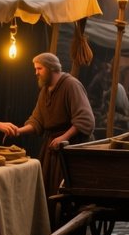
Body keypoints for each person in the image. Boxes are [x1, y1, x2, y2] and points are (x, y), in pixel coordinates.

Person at [15, 53, 95, 222]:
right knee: (46, 189)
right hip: (51, 147)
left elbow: (85, 119)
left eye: (39, 68)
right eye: (35, 69)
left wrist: (64, 138)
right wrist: (19, 131)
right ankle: (47, 226)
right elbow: (37, 120)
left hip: (69, 148)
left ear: (51, 68)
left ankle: (61, 226)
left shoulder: (71, 85)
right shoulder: (45, 90)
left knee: (60, 190)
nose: (36, 73)